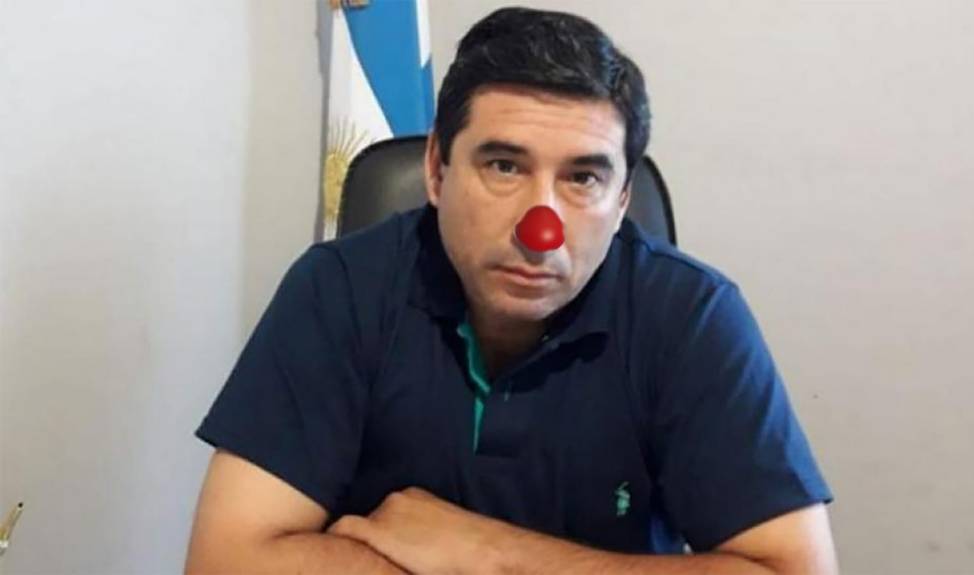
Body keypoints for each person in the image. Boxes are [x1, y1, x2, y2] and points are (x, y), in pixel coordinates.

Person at [185, 7, 838, 574]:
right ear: (436, 171)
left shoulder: (691, 315)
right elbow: (223, 561)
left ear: (622, 200)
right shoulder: (339, 289)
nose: (540, 229)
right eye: (504, 165)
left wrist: (488, 552)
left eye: (582, 178)